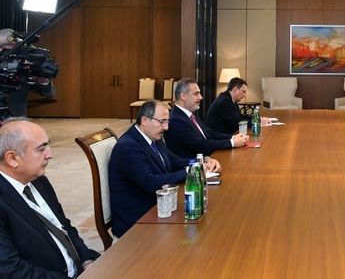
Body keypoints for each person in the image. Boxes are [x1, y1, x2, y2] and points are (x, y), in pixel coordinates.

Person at [0, 119, 100, 278]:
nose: (50, 154)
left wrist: (87, 259)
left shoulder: (39, 180)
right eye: (41, 149)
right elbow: (10, 271)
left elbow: (64, 226)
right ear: (12, 158)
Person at [109, 100, 221, 238]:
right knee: (198, 234)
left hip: (161, 205)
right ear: (145, 120)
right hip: (138, 219)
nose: (166, 127)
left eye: (167, 122)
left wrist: (202, 161)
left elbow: (174, 161)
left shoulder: (153, 136)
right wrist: (191, 171)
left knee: (207, 220)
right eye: (162, 122)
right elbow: (151, 182)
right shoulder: (128, 146)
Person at [165, 78, 248, 158]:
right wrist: (232, 142)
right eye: (196, 94)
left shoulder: (190, 114)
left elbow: (209, 133)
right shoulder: (176, 120)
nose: (201, 97)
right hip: (195, 163)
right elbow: (200, 145)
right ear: (183, 96)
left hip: (209, 158)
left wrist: (233, 137)